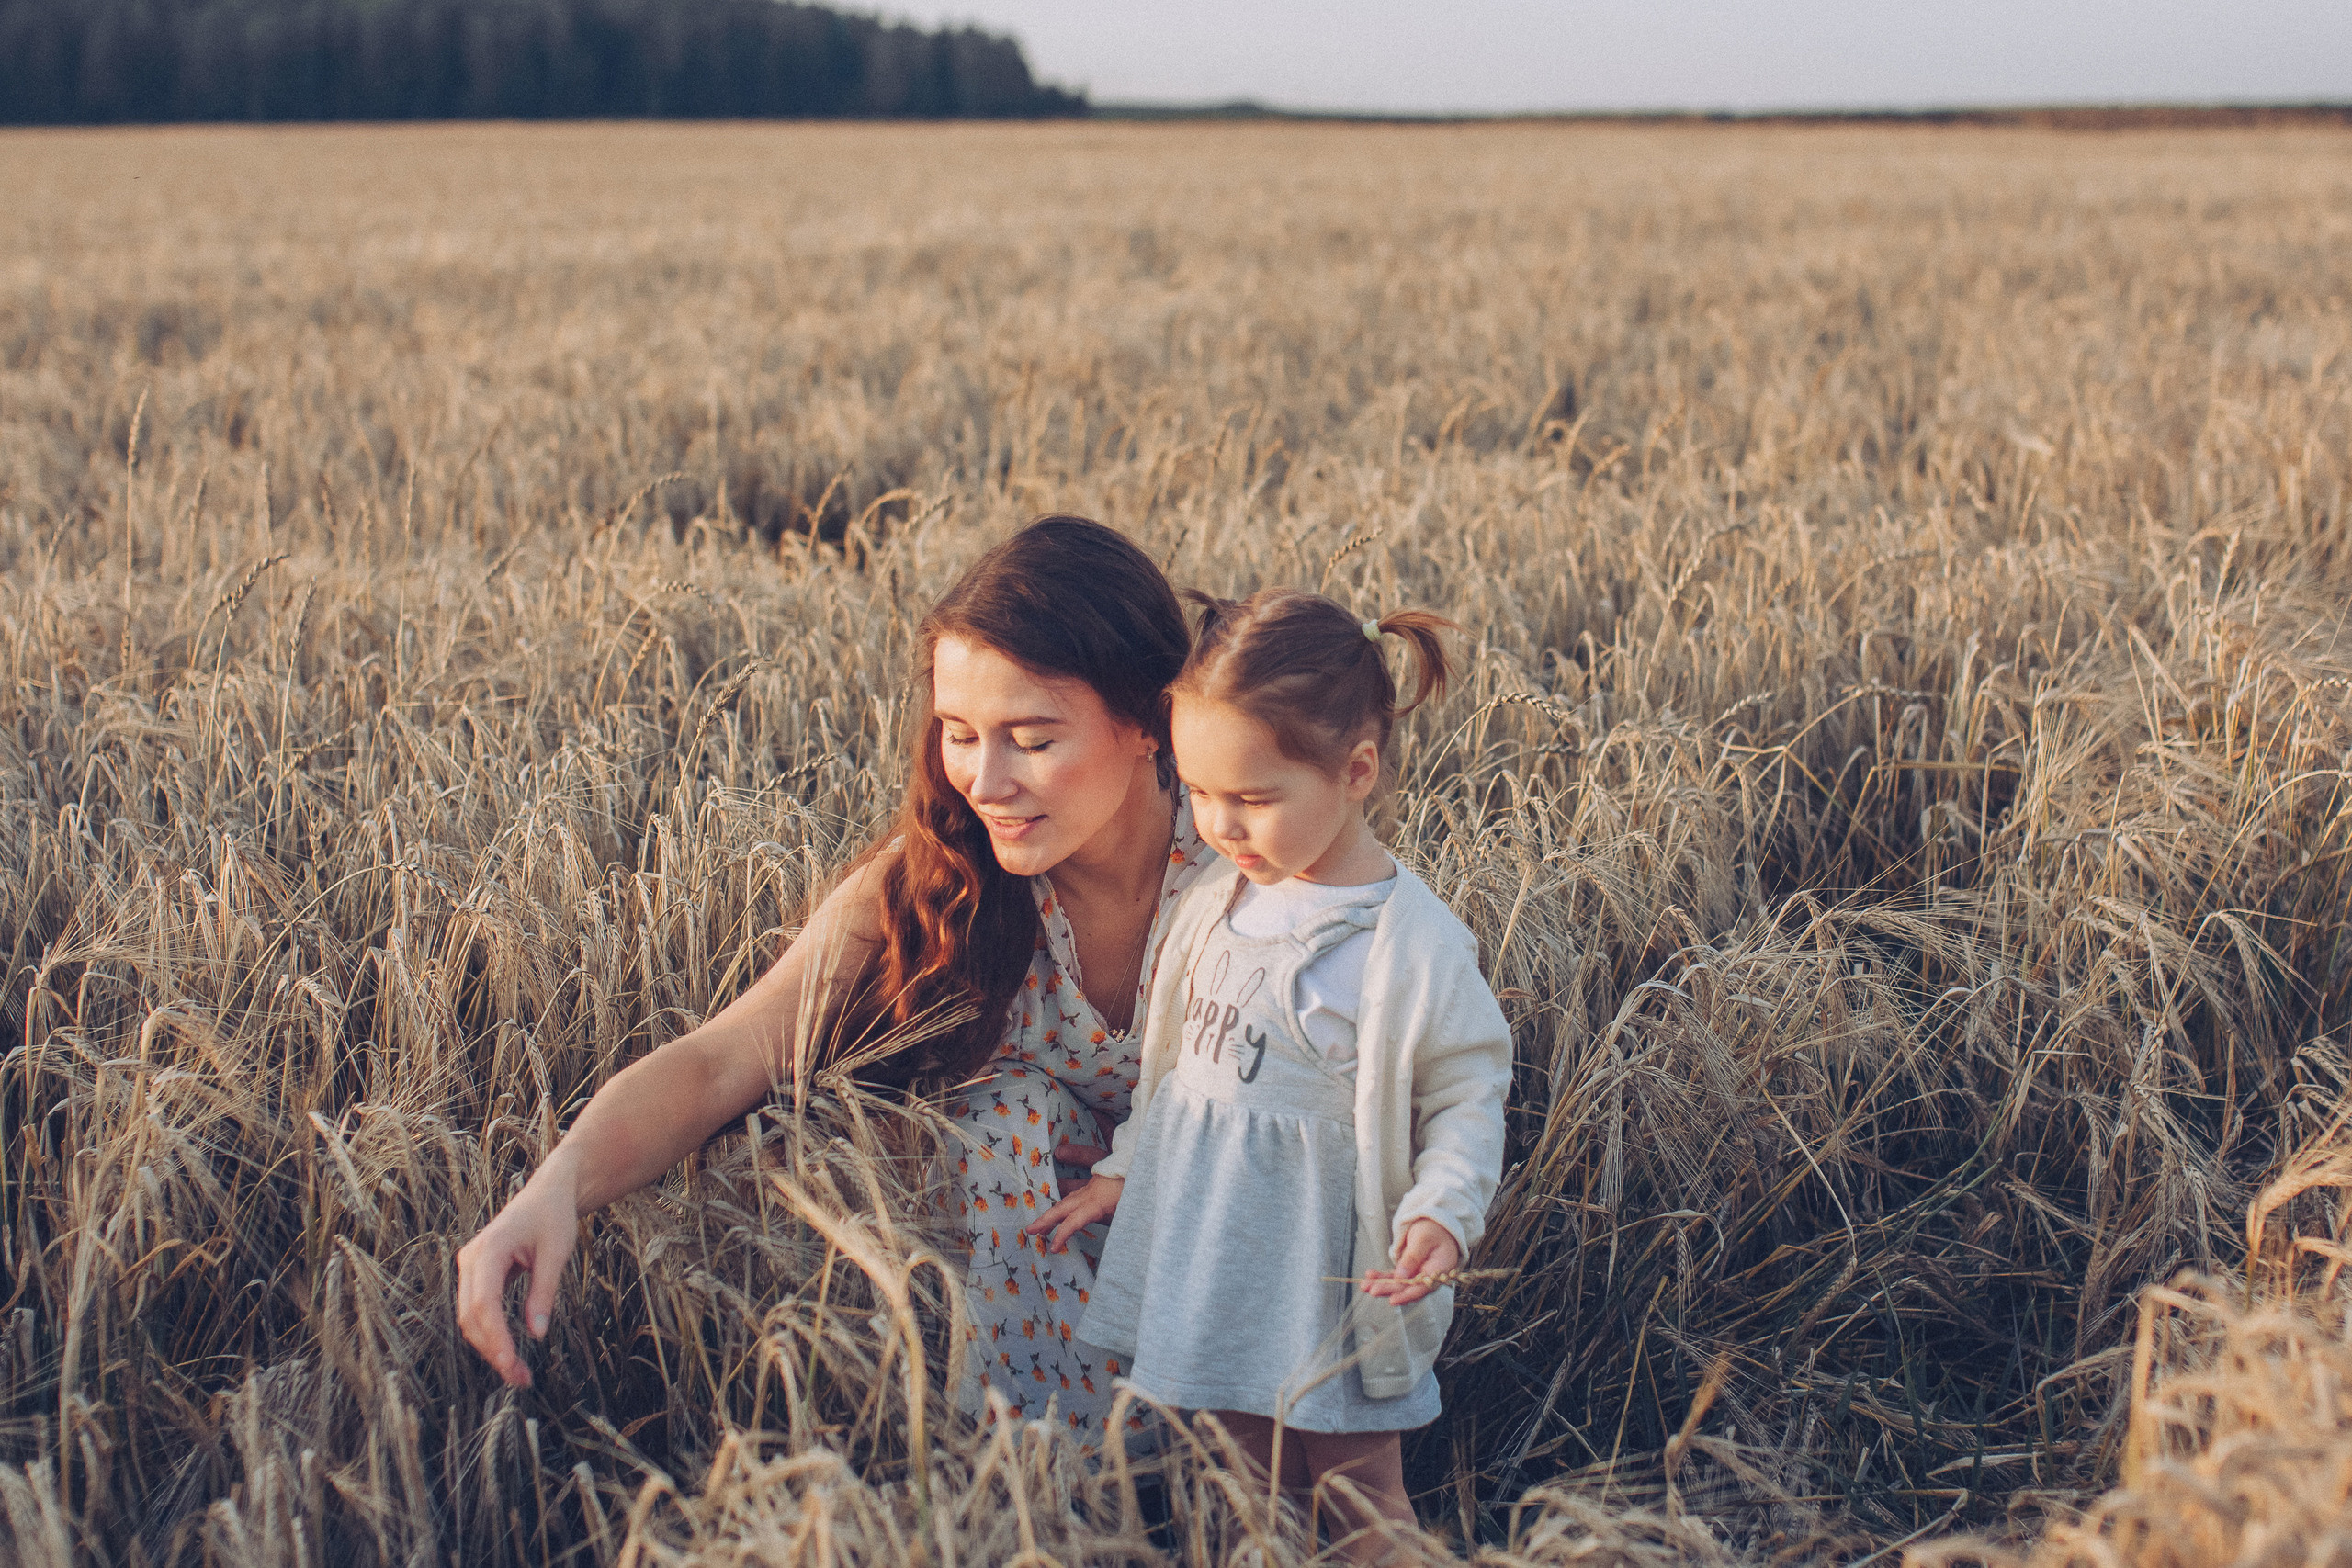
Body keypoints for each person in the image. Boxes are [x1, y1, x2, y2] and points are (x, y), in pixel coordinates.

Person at [453, 516, 1220, 1450]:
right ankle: (1060, 1471)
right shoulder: (937, 886)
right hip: (1034, 1370)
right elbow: (721, 1060)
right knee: (1002, 1105)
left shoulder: (1252, 877)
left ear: (1147, 721)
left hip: (1245, 1318)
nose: (986, 779)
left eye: (1031, 738)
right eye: (959, 734)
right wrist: (555, 1188)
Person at [1025, 589, 1512, 1552]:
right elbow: (1180, 1071)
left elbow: (1465, 1091)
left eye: (1251, 799)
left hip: (1327, 1270)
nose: (1219, 825)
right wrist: (1128, 1167)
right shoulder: (1218, 903)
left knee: (1354, 1492)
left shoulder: (1403, 942)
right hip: (1217, 1257)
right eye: (1199, 794)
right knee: (1243, 1480)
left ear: (1355, 771)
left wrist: (1439, 1212)